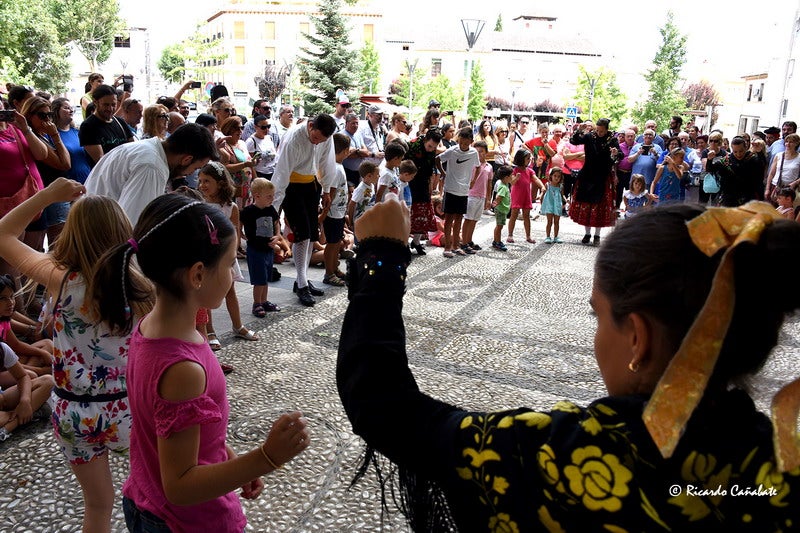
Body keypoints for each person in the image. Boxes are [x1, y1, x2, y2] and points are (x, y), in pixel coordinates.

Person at [337, 196, 800, 532]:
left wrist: (382, 257)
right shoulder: (777, 466)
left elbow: (387, 409)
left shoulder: (573, 453)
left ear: (637, 338)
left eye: (598, 315)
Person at [90, 194, 309, 532]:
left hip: (145, 501)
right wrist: (265, 458)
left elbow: (184, 435)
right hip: (187, 522)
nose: (233, 274)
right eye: (228, 264)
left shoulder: (149, 327)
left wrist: (231, 460)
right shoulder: (182, 370)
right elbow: (180, 485)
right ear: (196, 275)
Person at [0, 178, 152, 531]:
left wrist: (48, 195)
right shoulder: (143, 286)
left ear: (71, 233)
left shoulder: (60, 279)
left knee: (98, 506)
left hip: (73, 413)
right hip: (130, 409)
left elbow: (4, 234)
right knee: (150, 495)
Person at [84, 123, 217, 225]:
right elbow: (134, 223)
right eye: (195, 168)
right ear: (186, 159)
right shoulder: (152, 167)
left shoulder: (145, 149)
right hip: (100, 239)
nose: (190, 174)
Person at [272, 114, 338, 307]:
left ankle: (303, 278)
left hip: (311, 184)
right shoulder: (293, 138)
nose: (318, 142)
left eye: (322, 140)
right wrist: (275, 207)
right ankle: (301, 284)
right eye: (316, 138)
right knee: (301, 235)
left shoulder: (326, 137)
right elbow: (281, 173)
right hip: (291, 186)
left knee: (311, 234)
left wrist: (326, 189)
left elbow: (327, 162)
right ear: (310, 126)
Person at [196, 162, 260, 343]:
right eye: (200, 181)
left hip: (224, 255)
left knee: (230, 290)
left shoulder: (230, 208)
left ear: (221, 183)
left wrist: (229, 255)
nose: (202, 185)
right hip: (206, 256)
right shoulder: (199, 204)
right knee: (204, 294)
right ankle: (210, 330)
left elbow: (234, 234)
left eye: (207, 181)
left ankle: (238, 325)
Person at [569, 118, 621, 246]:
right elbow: (574, 141)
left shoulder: (612, 139)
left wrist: (615, 153)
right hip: (587, 174)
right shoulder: (589, 136)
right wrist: (579, 130)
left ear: (607, 129)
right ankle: (587, 234)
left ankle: (597, 236)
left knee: (599, 206)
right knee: (586, 203)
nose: (599, 133)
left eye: (602, 131)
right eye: (597, 130)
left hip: (603, 176)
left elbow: (620, 154)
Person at [436, 127, 480, 257]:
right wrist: (443, 173)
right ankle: (447, 247)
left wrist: (473, 180)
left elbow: (478, 167)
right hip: (450, 189)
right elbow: (438, 159)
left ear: (471, 141)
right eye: (461, 142)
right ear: (458, 140)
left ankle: (456, 245)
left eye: (466, 143)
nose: (463, 145)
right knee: (448, 219)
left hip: (464, 190)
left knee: (459, 219)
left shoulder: (473, 153)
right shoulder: (452, 150)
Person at [240, 178, 282, 315]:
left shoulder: (271, 209)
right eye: (269, 196)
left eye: (272, 195)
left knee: (266, 277)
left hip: (268, 249)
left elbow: (277, 223)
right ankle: (257, 303)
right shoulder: (248, 211)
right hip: (255, 249)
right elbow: (238, 222)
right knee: (259, 279)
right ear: (257, 196)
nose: (272, 199)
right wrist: (240, 234)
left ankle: (264, 301)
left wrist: (277, 236)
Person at [0, 341, 53, 441]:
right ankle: (32, 411)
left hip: (3, 398)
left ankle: (9, 426)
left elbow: (23, 376)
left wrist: (25, 400)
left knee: (48, 381)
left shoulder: (2, 348)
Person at [320, 134, 352, 287]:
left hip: (338, 212)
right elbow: (330, 193)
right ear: (345, 151)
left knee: (336, 242)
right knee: (332, 244)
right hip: (332, 213)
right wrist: (324, 213)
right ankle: (329, 273)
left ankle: (334, 268)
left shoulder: (338, 166)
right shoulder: (335, 168)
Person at [406, 128, 443, 255]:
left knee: (423, 213)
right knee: (409, 212)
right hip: (409, 182)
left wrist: (430, 185)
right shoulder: (412, 145)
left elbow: (431, 167)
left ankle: (416, 241)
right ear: (425, 140)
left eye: (434, 147)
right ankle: (405, 242)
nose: (431, 149)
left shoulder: (432, 150)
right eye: (429, 146)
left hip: (423, 182)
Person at [78, 84, 133, 165]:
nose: (110, 109)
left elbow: (132, 149)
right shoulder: (88, 126)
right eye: (106, 105)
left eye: (113, 104)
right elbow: (101, 162)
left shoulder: (120, 122)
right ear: (95, 102)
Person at [52, 97, 93, 185]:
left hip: (88, 180)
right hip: (69, 185)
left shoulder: (78, 132)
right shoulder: (52, 135)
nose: (71, 110)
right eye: (66, 108)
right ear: (56, 111)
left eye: (72, 108)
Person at [461, 141, 492, 252]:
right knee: (468, 219)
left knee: (474, 220)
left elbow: (489, 183)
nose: (479, 154)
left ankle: (469, 240)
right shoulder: (471, 165)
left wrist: (488, 198)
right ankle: (464, 242)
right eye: (477, 152)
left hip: (481, 196)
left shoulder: (489, 166)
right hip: (471, 195)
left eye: (481, 152)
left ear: (486, 153)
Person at [507, 149, 543, 244]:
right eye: (527, 158)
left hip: (526, 195)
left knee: (526, 215)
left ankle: (528, 235)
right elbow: (512, 182)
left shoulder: (530, 171)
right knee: (514, 214)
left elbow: (536, 179)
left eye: (529, 158)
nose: (529, 160)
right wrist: (516, 178)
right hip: (517, 195)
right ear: (521, 159)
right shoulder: (514, 170)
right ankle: (510, 234)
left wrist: (542, 186)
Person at [244, 115, 278, 180]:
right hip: (260, 174)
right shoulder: (251, 141)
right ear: (255, 127)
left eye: (268, 126)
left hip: (272, 173)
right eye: (263, 127)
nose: (267, 129)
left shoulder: (269, 138)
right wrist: (256, 179)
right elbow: (250, 163)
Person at [347, 161, 379, 229]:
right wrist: (350, 221)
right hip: (360, 221)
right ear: (369, 175)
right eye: (377, 174)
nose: (379, 176)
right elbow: (351, 204)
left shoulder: (372, 186)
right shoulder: (360, 189)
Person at [541, 167, 566, 243]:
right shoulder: (547, 185)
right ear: (551, 176)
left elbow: (562, 195)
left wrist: (566, 200)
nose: (556, 178)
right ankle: (548, 236)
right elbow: (543, 193)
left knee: (557, 221)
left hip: (557, 205)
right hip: (549, 205)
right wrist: (540, 197)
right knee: (549, 221)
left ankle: (556, 236)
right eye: (555, 176)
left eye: (558, 176)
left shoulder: (560, 186)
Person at [491, 165, 513, 251]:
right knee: (499, 226)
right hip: (501, 209)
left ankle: (496, 240)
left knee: (499, 226)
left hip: (502, 209)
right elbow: (499, 196)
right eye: (511, 176)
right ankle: (497, 241)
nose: (512, 177)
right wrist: (496, 203)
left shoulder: (504, 184)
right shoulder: (503, 187)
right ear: (507, 177)